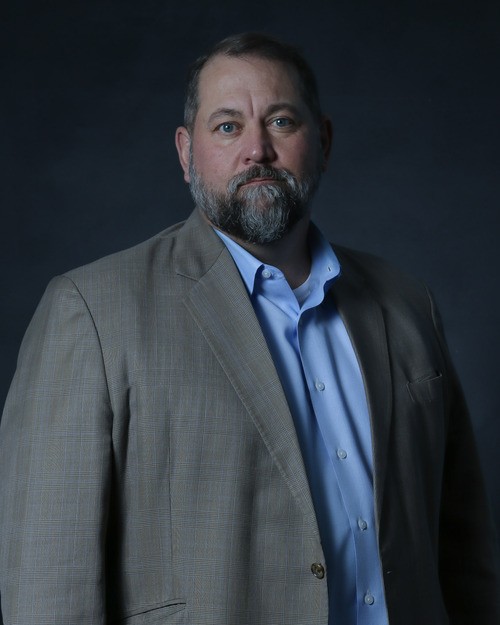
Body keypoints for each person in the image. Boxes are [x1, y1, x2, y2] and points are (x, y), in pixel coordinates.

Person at [0, 32, 498, 625]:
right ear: (187, 152)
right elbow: (49, 582)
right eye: (228, 126)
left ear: (324, 141)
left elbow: (465, 559)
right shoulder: (90, 312)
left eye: (281, 121)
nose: (257, 149)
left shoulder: (409, 304)